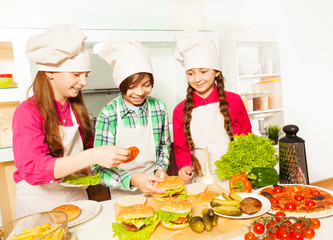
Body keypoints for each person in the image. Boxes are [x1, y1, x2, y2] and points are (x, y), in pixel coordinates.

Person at [12, 24, 132, 218]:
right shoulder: (27, 112)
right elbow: (33, 169)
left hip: (77, 200)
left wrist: (88, 167)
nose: (84, 82)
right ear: (50, 72)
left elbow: (85, 151)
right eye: (76, 74)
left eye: (86, 75)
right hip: (39, 207)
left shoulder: (77, 109)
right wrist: (92, 156)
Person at [92, 38, 171, 199]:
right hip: (122, 192)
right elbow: (98, 167)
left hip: (156, 186)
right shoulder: (108, 114)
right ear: (121, 84)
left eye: (146, 84)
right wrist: (133, 179)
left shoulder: (159, 108)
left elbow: (164, 145)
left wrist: (161, 169)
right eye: (132, 86)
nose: (140, 92)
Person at [173, 31, 252, 183]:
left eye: (203, 72)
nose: (197, 79)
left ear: (216, 72)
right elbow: (181, 148)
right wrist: (184, 166)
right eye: (190, 74)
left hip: (235, 174)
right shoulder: (180, 110)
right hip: (200, 175)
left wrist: (246, 163)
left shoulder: (234, 100)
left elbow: (246, 134)